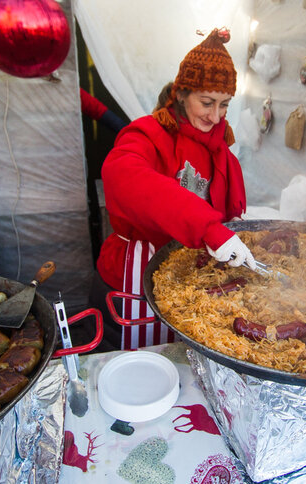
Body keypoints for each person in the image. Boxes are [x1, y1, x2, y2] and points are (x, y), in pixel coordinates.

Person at [95, 28, 256, 350]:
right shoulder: (148, 134)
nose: (215, 116)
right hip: (138, 274)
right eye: (207, 102)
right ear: (181, 94)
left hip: (193, 279)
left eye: (224, 105)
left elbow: (225, 206)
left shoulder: (220, 147)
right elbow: (123, 175)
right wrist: (208, 226)